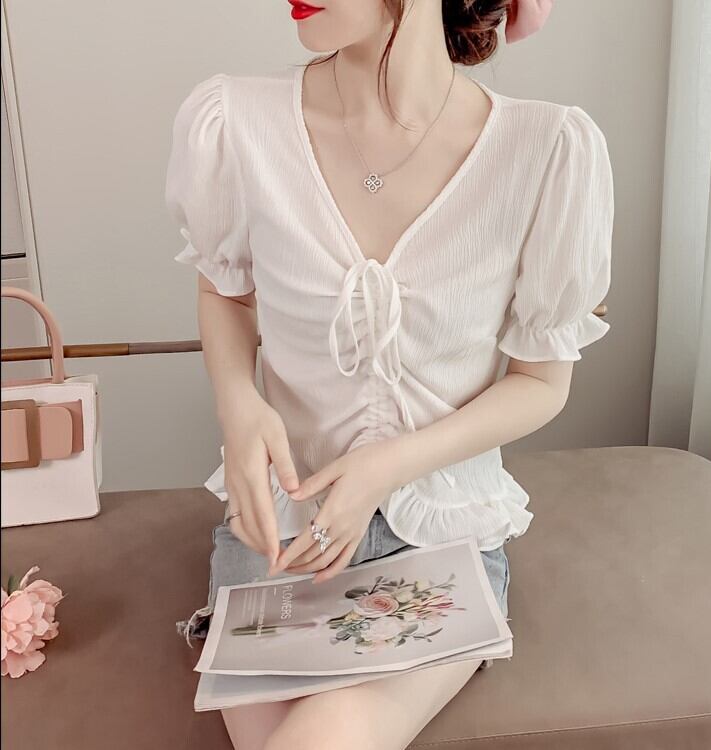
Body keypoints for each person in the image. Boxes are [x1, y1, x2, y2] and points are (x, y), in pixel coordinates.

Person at [165, 0, 613, 747]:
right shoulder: (236, 122)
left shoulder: (545, 150)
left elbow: (541, 381)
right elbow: (226, 293)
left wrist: (386, 466)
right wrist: (239, 406)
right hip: (283, 535)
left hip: (443, 537)